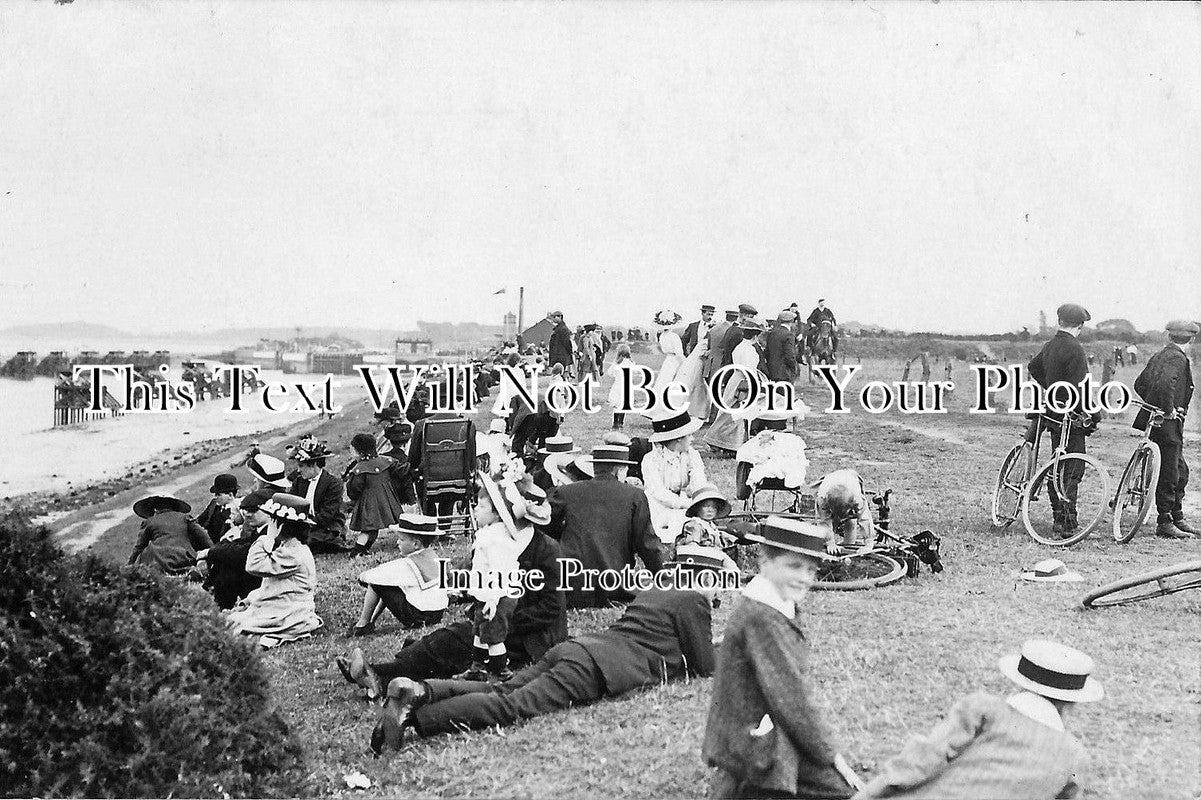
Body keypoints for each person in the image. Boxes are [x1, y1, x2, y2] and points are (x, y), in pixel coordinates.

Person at [371, 546, 727, 752]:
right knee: (511, 704)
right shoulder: (692, 600)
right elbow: (704, 665)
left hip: (578, 649)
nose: (718, 595)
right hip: (596, 669)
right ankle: (416, 717)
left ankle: (421, 690)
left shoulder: (655, 590)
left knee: (502, 688)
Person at [704, 517, 860, 800]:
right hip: (751, 739)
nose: (804, 577)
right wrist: (831, 754)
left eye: (811, 569)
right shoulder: (762, 617)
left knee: (845, 789)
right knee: (844, 793)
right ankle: (742, 785)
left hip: (768, 727)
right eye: (793, 566)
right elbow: (791, 696)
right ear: (765, 563)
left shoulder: (778, 605)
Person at [338, 516, 567, 698]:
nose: (480, 513)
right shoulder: (498, 542)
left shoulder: (546, 549)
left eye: (487, 507)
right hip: (498, 621)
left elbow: (551, 607)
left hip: (533, 637)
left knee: (454, 639)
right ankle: (381, 674)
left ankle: (378, 674)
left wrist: (499, 621)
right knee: (449, 641)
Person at [854, 640, 1103, 799]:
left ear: (1019, 681)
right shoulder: (1074, 755)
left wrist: (866, 795)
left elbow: (918, 761)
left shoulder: (984, 709)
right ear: (1073, 701)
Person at [454, 476, 551, 682]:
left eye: (481, 506)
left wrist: (492, 600)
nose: (476, 510)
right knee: (480, 631)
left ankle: (501, 671)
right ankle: (477, 667)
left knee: (494, 636)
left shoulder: (497, 541)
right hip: (487, 594)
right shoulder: (488, 534)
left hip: (499, 596)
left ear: (497, 515)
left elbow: (499, 572)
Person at [544, 442, 665, 608]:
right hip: (614, 584)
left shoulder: (566, 492)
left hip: (572, 585)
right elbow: (647, 545)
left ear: (595, 468)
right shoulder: (634, 495)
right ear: (619, 470)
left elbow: (546, 528)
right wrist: (665, 580)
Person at [1026, 303, 1097, 534]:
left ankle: (1058, 517)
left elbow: (1033, 367)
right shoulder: (1075, 348)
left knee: (1057, 463)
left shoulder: (1050, 345)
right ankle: (1067, 522)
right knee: (1073, 468)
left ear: (1060, 321)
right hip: (1071, 416)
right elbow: (1081, 387)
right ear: (1081, 325)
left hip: (1052, 413)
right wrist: (1095, 414)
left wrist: (1052, 388)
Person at [226, 493, 324, 648]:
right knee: (231, 621)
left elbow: (253, 566)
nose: (270, 523)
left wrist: (267, 537)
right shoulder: (288, 547)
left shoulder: (294, 554)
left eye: (273, 520)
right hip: (278, 605)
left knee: (235, 628)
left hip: (288, 611)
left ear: (282, 525)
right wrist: (249, 600)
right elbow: (272, 586)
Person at [1133, 319, 1197, 539]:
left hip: (1157, 421)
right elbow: (1165, 383)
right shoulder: (1177, 358)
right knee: (1170, 470)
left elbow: (1139, 384)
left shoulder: (1160, 355)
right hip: (1167, 423)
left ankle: (1177, 516)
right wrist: (1167, 409)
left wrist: (1152, 405)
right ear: (1192, 339)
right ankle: (1165, 521)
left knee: (1180, 469)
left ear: (1169, 336)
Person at [347, 513, 450, 637]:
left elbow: (368, 577)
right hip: (437, 614)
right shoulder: (433, 557)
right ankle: (371, 621)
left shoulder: (408, 563)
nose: (397, 542)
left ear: (416, 544)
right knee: (388, 584)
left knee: (377, 583)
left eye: (401, 539)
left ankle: (362, 623)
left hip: (418, 615)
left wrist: (362, 576)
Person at [641, 408, 709, 544]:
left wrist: (700, 499)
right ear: (678, 439)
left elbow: (699, 481)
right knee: (661, 530)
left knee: (697, 524)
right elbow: (659, 493)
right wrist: (689, 504)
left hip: (683, 502)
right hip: (656, 505)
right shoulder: (651, 459)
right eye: (689, 435)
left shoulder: (692, 455)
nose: (692, 439)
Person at [345, 432, 417, 556]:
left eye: (353, 451)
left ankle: (358, 550)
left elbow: (354, 490)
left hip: (369, 503)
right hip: (388, 500)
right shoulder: (386, 461)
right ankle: (410, 541)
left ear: (361, 453)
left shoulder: (359, 469)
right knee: (397, 523)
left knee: (368, 528)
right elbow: (401, 472)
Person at [706, 318, 767, 455]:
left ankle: (724, 441)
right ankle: (726, 443)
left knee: (730, 412)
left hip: (736, 379)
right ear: (755, 335)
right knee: (736, 413)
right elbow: (748, 369)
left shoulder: (740, 347)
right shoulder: (749, 350)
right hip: (743, 382)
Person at [128, 495, 213, 576]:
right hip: (184, 558)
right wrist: (214, 552)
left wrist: (129, 565)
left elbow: (139, 547)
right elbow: (203, 536)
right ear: (174, 506)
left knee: (146, 553)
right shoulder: (185, 518)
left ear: (155, 509)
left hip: (159, 562)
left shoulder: (149, 522)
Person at [289, 440, 350, 554]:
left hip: (326, 525)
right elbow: (292, 504)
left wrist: (304, 524)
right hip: (304, 524)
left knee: (311, 540)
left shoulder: (333, 484)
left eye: (301, 466)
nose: (298, 470)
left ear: (313, 465)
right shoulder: (298, 482)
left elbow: (327, 515)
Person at [675, 484, 739, 572]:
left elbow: (720, 538)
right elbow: (692, 546)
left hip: (711, 556)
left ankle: (734, 574)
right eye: (706, 506)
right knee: (724, 559)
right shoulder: (695, 524)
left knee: (725, 558)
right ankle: (735, 575)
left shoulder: (711, 526)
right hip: (698, 558)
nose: (710, 510)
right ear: (697, 508)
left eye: (714, 507)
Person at [815, 469, 875, 553]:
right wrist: (830, 543)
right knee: (832, 523)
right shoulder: (822, 498)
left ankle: (849, 545)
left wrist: (868, 544)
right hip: (830, 481)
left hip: (850, 477)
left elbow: (865, 519)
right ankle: (835, 543)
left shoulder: (857, 498)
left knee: (851, 521)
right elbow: (824, 521)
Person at [195, 473, 239, 542]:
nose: (215, 497)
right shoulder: (214, 504)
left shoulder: (237, 512)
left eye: (218, 494)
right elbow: (201, 519)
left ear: (230, 495)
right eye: (215, 494)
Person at [606, 343, 639, 430]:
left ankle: (615, 423)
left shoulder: (617, 364)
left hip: (618, 386)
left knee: (617, 405)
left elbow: (610, 373)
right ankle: (621, 422)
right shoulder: (631, 363)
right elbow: (635, 372)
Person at [721, 304, 759, 370]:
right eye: (751, 317)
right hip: (735, 371)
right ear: (745, 316)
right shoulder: (739, 332)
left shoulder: (732, 328)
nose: (752, 320)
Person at [766, 310, 800, 382]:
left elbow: (767, 352)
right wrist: (793, 369)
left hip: (771, 372)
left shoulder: (772, 333)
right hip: (784, 374)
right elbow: (790, 355)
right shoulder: (789, 335)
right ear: (791, 322)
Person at [547, 310, 574, 375]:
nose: (553, 319)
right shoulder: (559, 328)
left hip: (560, 355)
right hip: (559, 355)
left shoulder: (562, 329)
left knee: (560, 373)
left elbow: (567, 342)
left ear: (560, 317)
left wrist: (570, 352)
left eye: (554, 317)